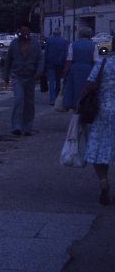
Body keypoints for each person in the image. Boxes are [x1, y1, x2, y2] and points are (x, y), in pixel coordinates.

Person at [2, 25, 44, 136]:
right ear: (19, 31)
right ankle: (16, 126)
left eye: (27, 30)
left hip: (31, 76)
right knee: (18, 99)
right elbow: (8, 60)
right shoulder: (14, 44)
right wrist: (6, 75)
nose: (25, 32)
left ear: (29, 31)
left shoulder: (36, 44)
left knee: (29, 103)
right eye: (23, 30)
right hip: (17, 76)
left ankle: (27, 127)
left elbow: (40, 59)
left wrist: (39, 72)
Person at [84, 55, 115, 205]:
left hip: (104, 111)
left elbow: (89, 84)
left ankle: (103, 180)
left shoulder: (103, 63)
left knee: (99, 149)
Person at [62, 27, 98, 111]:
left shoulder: (73, 44)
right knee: (86, 91)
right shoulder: (94, 46)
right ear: (89, 35)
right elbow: (96, 61)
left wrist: (65, 73)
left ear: (80, 34)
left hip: (75, 70)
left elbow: (69, 60)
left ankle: (75, 109)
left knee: (75, 90)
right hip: (89, 70)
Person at [44, 27, 68, 105]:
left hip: (50, 63)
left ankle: (52, 99)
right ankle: (58, 97)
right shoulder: (64, 41)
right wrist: (65, 65)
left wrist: (44, 65)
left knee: (51, 81)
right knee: (58, 81)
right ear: (60, 33)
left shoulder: (49, 40)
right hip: (60, 63)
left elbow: (46, 53)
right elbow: (65, 54)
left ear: (53, 33)